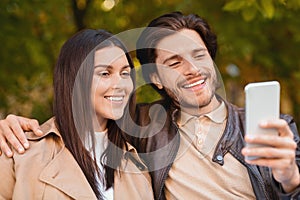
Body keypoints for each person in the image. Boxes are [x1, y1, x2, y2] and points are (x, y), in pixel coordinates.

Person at [1, 11, 300, 199]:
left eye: (199, 56)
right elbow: (84, 123)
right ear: (155, 78)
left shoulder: (272, 127)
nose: (193, 69)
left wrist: (290, 179)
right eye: (174, 62)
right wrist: (13, 126)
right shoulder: (143, 126)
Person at [0, 29, 153, 200]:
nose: (120, 84)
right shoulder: (21, 151)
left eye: (125, 73)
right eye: (105, 73)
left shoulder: (138, 164)